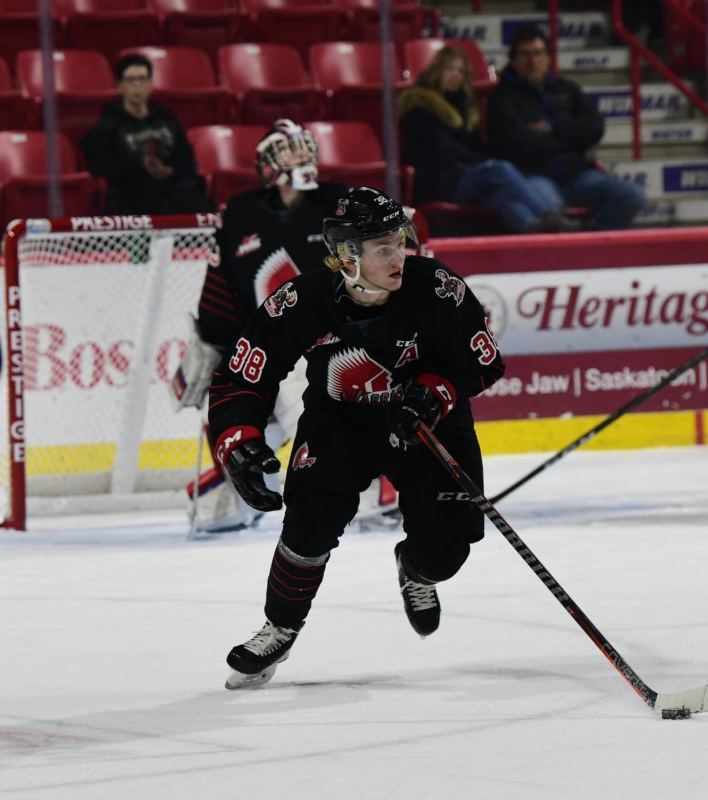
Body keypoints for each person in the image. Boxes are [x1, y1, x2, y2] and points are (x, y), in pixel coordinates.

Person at [208, 186, 505, 689]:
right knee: (308, 525)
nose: (400, 257)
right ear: (347, 256)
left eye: (401, 242)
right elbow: (243, 376)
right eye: (383, 248)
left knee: (446, 551)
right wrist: (238, 440)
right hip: (340, 422)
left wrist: (435, 393)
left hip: (425, 422)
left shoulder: (438, 289)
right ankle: (279, 627)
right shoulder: (299, 302)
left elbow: (484, 363)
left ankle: (416, 569)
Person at [172, 120, 395, 532]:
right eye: (288, 149)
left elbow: (389, 265)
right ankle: (233, 491)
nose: (301, 156)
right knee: (216, 506)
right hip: (270, 348)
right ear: (267, 164)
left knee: (310, 404)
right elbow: (222, 294)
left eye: (305, 147)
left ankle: (374, 486)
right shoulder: (239, 215)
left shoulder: (341, 204)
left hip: (336, 349)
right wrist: (212, 352)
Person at [397, 44, 575, 234]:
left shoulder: (466, 107)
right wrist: (484, 162)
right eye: (450, 69)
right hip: (438, 183)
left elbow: (476, 148)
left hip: (465, 177)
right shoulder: (421, 106)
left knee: (498, 196)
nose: (455, 75)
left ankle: (533, 228)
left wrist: (482, 160)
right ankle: (553, 218)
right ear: (437, 70)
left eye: (461, 71)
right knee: (499, 169)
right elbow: (445, 149)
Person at [486, 24, 645, 231]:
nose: (532, 61)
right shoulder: (502, 97)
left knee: (632, 195)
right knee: (551, 212)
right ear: (514, 60)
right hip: (534, 176)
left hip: (579, 175)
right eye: (525, 55)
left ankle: (592, 240)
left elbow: (595, 127)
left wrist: (553, 127)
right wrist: (571, 138)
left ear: (548, 58)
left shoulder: (567, 89)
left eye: (538, 54)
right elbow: (518, 143)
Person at [80, 53, 215, 215]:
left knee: (206, 209)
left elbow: (186, 157)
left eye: (142, 79)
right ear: (120, 85)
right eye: (131, 80)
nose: (137, 85)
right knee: (160, 209)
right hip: (132, 191)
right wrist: (140, 166)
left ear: (151, 84)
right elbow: (103, 166)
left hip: (171, 186)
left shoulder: (165, 117)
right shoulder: (109, 122)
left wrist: (171, 171)